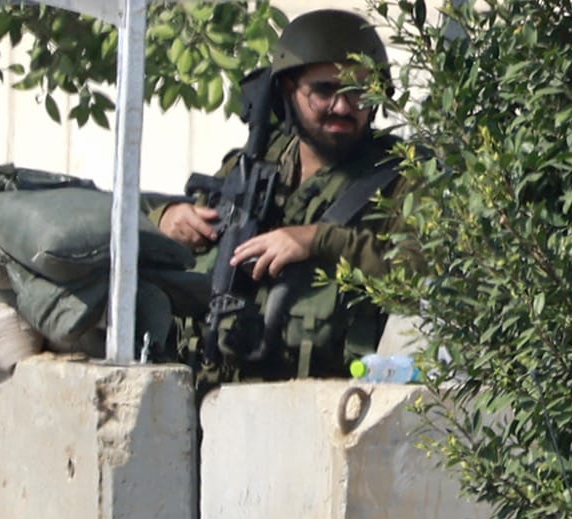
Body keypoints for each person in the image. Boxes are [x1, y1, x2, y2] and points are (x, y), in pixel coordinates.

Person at [151, 8, 403, 381]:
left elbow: (423, 270)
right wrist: (167, 218)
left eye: (360, 92)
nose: (344, 107)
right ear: (289, 89)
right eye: (325, 90)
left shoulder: (400, 174)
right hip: (206, 385)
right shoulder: (251, 166)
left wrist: (318, 240)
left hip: (319, 404)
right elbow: (138, 227)